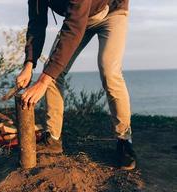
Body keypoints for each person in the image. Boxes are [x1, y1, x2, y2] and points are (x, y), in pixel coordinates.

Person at [16, 0, 136, 170]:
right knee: (52, 74)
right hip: (79, 19)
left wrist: (43, 81)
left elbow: (73, 27)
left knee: (109, 71)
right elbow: (37, 22)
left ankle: (125, 140)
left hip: (111, 11)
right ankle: (53, 139)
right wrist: (29, 63)